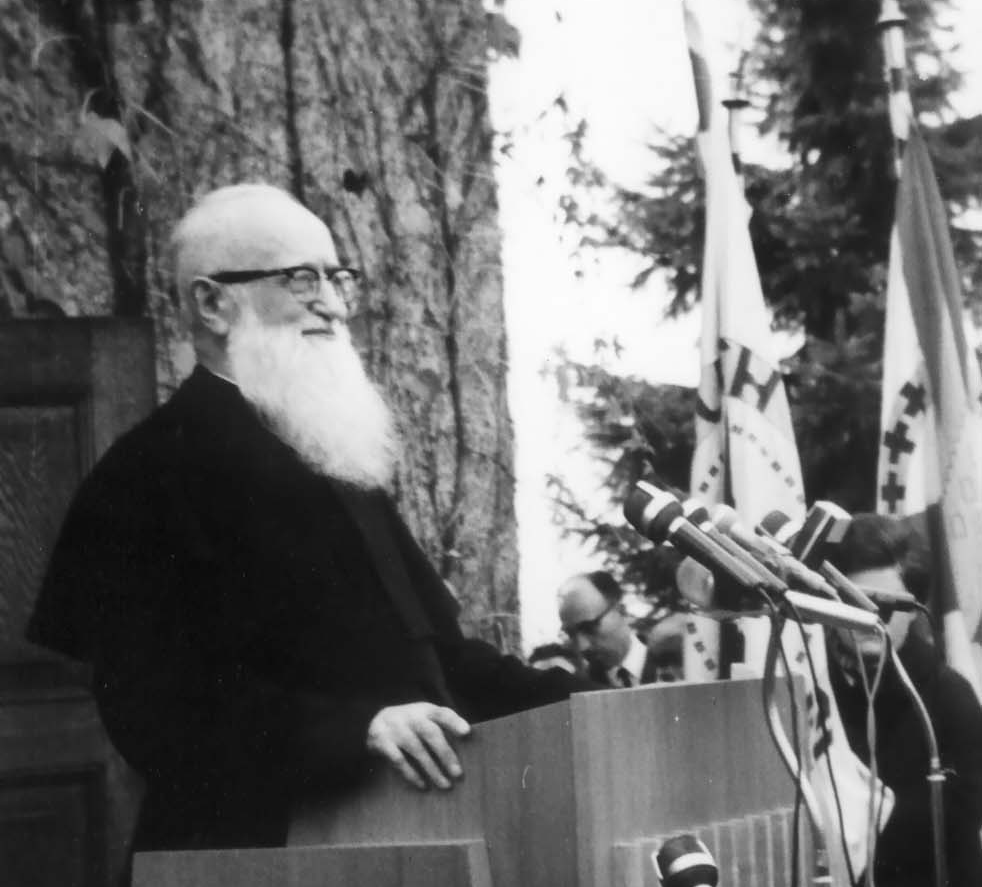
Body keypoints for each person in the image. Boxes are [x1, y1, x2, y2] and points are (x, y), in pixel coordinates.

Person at [27, 183, 585, 851]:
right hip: (249, 860)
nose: (332, 303)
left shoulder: (332, 456)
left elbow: (435, 661)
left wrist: (590, 700)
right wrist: (358, 730)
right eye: (300, 279)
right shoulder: (144, 474)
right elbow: (154, 711)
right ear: (212, 303)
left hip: (403, 840)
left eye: (336, 277)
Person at [826, 512, 982, 887]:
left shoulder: (948, 700)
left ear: (914, 608)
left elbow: (949, 831)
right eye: (849, 598)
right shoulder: (810, 690)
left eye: (883, 603)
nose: (864, 616)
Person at [557, 571, 663, 687]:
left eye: (589, 628)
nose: (582, 646)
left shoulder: (673, 662)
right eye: (571, 633)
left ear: (621, 610)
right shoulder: (581, 687)